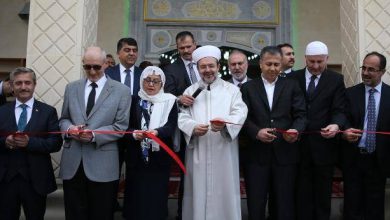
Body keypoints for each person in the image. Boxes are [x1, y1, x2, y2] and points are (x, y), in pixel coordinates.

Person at [59, 46, 131, 220]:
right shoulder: (71, 88)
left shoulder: (121, 90)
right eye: (87, 67)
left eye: (96, 67)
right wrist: (70, 129)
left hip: (103, 164)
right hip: (73, 164)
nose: (92, 71)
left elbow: (120, 127)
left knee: (101, 213)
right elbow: (63, 119)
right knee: (74, 213)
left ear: (106, 64)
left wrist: (93, 135)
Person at [178, 45, 248, 220]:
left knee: (224, 191)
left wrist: (225, 125)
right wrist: (192, 127)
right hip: (198, 152)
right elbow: (182, 116)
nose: (208, 70)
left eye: (211, 66)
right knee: (197, 192)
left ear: (218, 66)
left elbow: (239, 113)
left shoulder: (231, 90)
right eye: (203, 67)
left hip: (224, 151)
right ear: (198, 68)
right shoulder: (190, 91)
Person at [241, 46, 307, 220]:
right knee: (256, 203)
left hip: (285, 154)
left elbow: (301, 115)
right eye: (268, 64)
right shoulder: (248, 88)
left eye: (276, 64)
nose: (272, 68)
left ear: (281, 64)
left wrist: (295, 130)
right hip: (256, 155)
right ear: (261, 64)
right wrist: (256, 132)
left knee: (284, 203)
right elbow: (242, 118)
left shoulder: (292, 85)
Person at [291, 41, 346, 220]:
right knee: (300, 193)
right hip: (297, 147)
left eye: (320, 62)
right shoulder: (293, 78)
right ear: (305, 59)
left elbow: (339, 109)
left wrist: (336, 125)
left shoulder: (336, 79)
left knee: (323, 195)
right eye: (311, 61)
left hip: (324, 146)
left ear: (327, 59)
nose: (315, 66)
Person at [0, 67, 62, 220]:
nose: (23, 87)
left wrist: (30, 142)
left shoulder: (48, 112)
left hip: (36, 180)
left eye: (27, 83)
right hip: (5, 180)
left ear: (34, 85)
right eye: (18, 83)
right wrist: (4, 142)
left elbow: (55, 143)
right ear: (12, 86)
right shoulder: (1, 111)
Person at [123, 66, 178, 220]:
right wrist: (134, 134)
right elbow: (124, 126)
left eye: (156, 81)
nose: (151, 84)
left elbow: (172, 126)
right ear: (142, 81)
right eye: (147, 80)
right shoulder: (134, 100)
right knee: (136, 193)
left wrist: (157, 132)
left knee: (156, 194)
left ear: (162, 84)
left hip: (159, 157)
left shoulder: (170, 101)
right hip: (136, 156)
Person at [342, 51, 390, 220]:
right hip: (354, 159)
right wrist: (345, 132)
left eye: (371, 69)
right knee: (352, 206)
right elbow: (342, 119)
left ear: (382, 72)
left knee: (375, 208)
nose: (365, 72)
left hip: (379, 160)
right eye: (364, 68)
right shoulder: (349, 94)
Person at [163, 31, 199, 220]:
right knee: (187, 172)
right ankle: (182, 213)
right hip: (184, 129)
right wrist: (178, 98)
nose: (186, 50)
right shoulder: (171, 69)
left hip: (206, 128)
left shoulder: (205, 65)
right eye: (182, 48)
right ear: (177, 49)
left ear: (195, 44)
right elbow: (166, 95)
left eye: (189, 46)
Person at [105, 37, 142, 211]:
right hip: (113, 131)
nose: (132, 53)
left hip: (136, 132)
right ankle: (110, 204)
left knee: (134, 172)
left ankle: (131, 207)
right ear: (119, 53)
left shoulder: (144, 74)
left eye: (134, 50)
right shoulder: (108, 74)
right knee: (112, 171)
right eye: (127, 50)